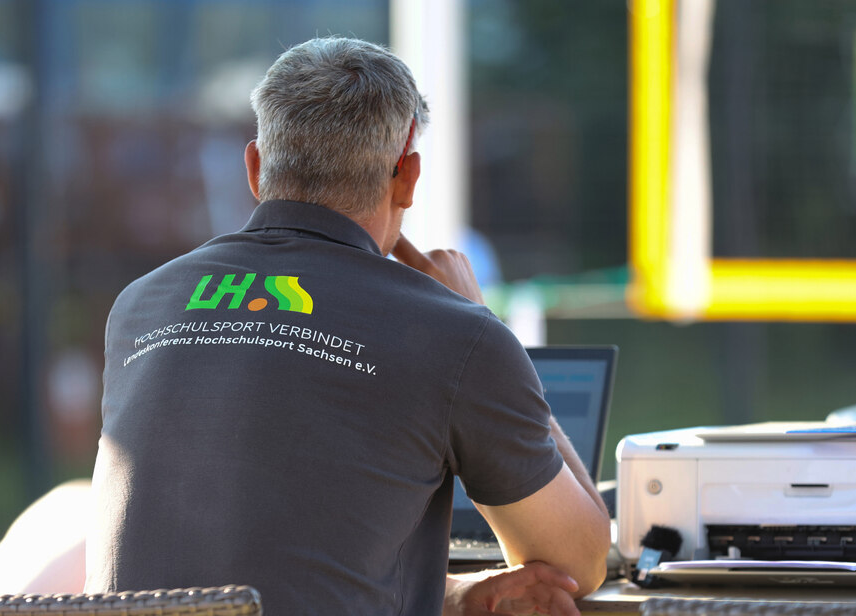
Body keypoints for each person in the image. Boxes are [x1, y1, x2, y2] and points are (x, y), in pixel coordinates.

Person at [84, 37, 610, 616]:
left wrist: (453, 596)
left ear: (256, 169)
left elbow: (257, 572)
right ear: (408, 178)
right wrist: (481, 322)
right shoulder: (451, 334)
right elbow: (577, 562)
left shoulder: (141, 304)